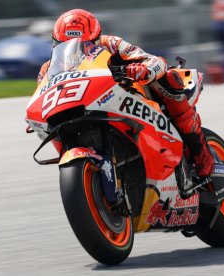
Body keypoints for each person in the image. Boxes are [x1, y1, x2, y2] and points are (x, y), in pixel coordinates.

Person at [37, 9, 214, 179]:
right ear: (55, 44)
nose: (76, 51)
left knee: (169, 78)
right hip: (84, 108)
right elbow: (41, 96)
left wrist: (144, 69)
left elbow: (155, 61)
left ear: (97, 40)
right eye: (64, 45)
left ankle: (202, 158)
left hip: (127, 96)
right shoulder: (47, 69)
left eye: (85, 45)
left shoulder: (112, 44)